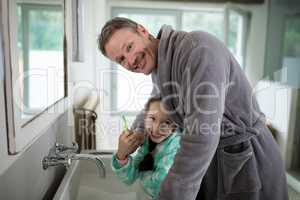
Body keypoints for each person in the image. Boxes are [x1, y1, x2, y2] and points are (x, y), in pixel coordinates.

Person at [98, 17, 289, 200]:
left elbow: (200, 138)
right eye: (121, 59)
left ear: (142, 30)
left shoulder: (198, 51)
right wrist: (138, 133)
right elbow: (159, 97)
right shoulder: (162, 65)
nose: (130, 61)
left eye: (129, 47)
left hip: (247, 161)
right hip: (216, 161)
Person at [111, 97, 181, 199]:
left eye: (166, 122)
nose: (156, 129)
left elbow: (160, 182)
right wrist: (121, 154)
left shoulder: (176, 144)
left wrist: (141, 173)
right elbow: (129, 178)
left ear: (175, 125)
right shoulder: (149, 141)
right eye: (152, 118)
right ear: (145, 117)